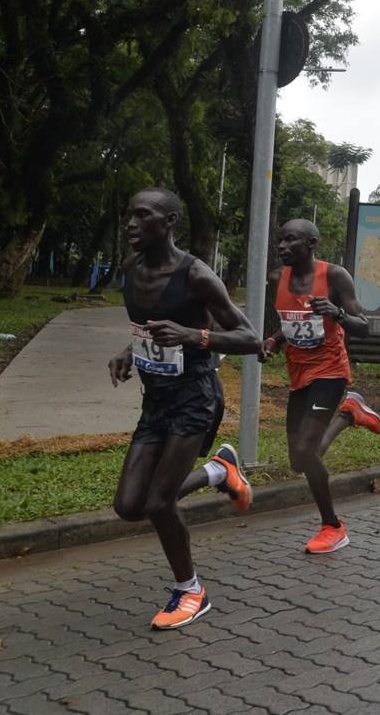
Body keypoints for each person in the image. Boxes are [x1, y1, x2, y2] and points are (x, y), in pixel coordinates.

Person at [108, 188, 261, 630]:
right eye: (129, 215)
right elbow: (147, 330)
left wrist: (197, 337)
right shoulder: (131, 267)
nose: (132, 224)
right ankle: (219, 472)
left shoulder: (197, 275)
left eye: (143, 215)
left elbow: (251, 338)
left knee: (159, 502)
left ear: (170, 221)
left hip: (196, 396)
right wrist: (127, 350)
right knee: (129, 505)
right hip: (156, 400)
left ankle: (191, 590)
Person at [258, 219, 380, 555]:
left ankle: (332, 526)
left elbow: (363, 327)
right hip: (299, 374)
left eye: (290, 240)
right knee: (298, 462)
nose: (282, 246)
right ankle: (349, 414)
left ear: (311, 244)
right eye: (280, 240)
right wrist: (274, 340)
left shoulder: (334, 276)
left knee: (306, 452)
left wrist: (338, 313)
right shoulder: (277, 278)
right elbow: (293, 321)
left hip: (330, 371)